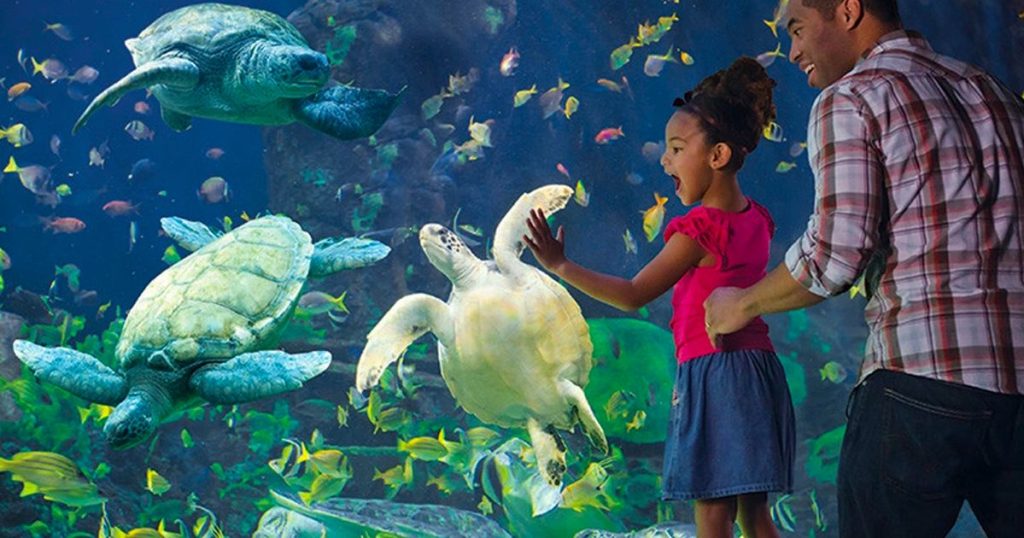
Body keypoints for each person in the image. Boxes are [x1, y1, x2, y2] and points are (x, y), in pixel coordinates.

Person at [703, 1, 1024, 536]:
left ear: (848, 10)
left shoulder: (851, 97)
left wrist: (743, 303)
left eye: (799, 28)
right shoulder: (994, 93)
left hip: (921, 385)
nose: (793, 50)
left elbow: (835, 255)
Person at [524, 57, 794, 538]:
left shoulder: (699, 229)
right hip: (757, 372)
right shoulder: (759, 219)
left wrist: (561, 266)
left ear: (717, 156)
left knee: (711, 514)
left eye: (676, 148)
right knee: (755, 514)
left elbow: (633, 295)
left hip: (715, 372)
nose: (665, 160)